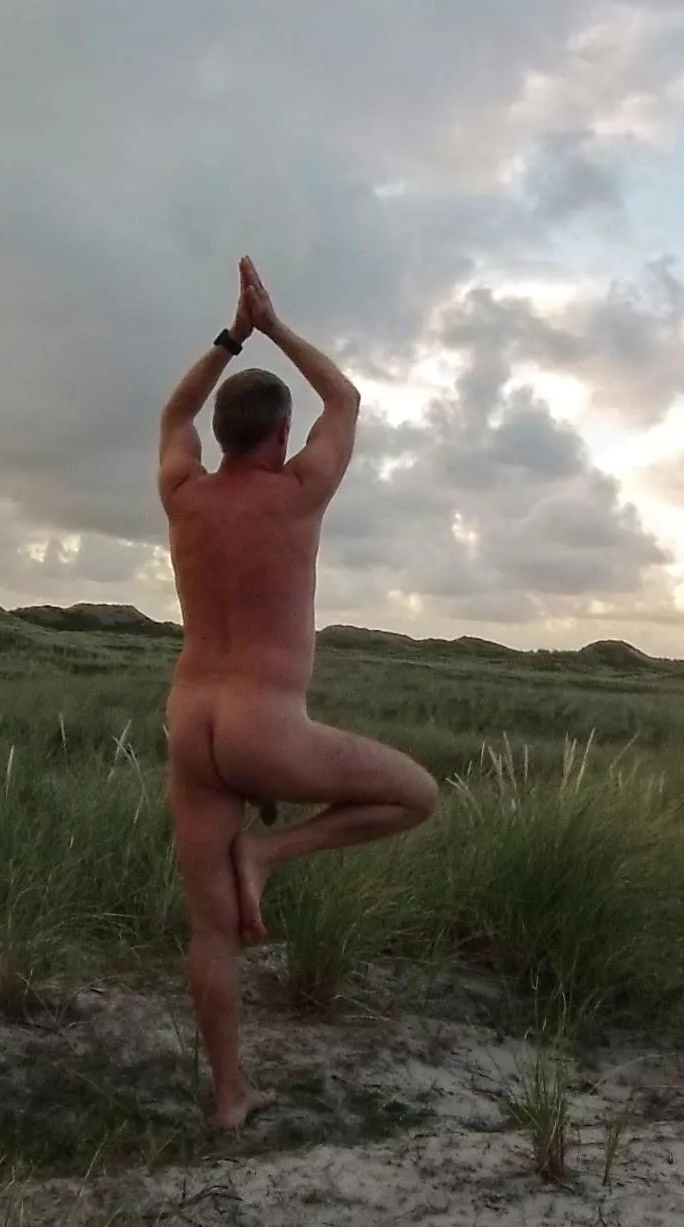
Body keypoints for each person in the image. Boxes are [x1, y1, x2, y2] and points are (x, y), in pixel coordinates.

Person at [157, 257, 439, 1130]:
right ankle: (268, 857)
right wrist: (273, 326)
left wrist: (229, 336)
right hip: (263, 726)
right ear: (280, 437)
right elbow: (345, 398)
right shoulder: (299, 493)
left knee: (212, 931)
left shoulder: (182, 494)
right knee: (415, 793)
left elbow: (172, 413)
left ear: (221, 433)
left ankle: (227, 1096)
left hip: (189, 721)